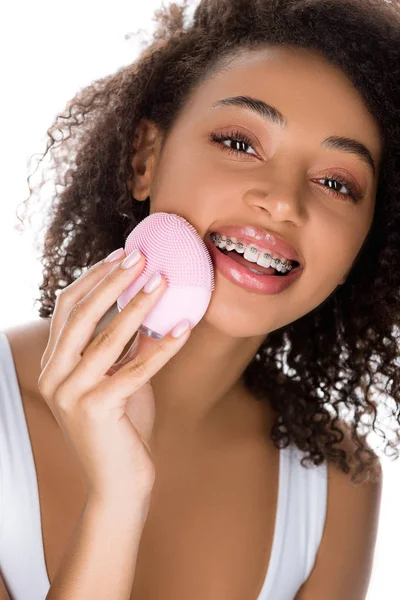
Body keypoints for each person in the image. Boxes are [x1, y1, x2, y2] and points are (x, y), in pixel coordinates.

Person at [0, 0, 399, 598]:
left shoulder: (339, 482)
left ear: (360, 250)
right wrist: (116, 502)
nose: (284, 201)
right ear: (146, 159)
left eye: (337, 182)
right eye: (240, 142)